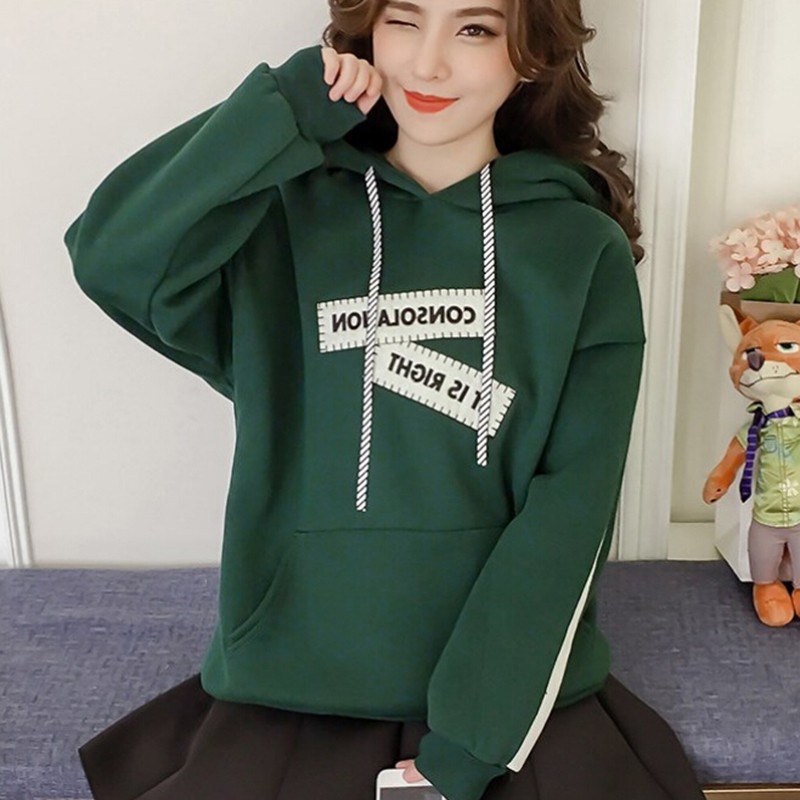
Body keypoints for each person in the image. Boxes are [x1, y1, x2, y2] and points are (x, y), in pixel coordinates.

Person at [63, 0, 707, 798]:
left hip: (502, 709)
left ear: (532, 55)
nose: (427, 63)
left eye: (474, 29)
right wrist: (283, 110)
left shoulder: (579, 251)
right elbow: (110, 255)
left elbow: (573, 508)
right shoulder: (282, 221)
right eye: (404, 22)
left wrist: (473, 739)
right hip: (288, 685)